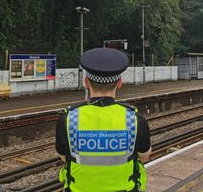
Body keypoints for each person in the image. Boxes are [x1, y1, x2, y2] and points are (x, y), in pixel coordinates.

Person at [56, 48, 152, 192]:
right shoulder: (135, 120)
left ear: (86, 82)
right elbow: (144, 157)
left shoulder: (68, 119)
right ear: (119, 83)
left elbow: (64, 157)